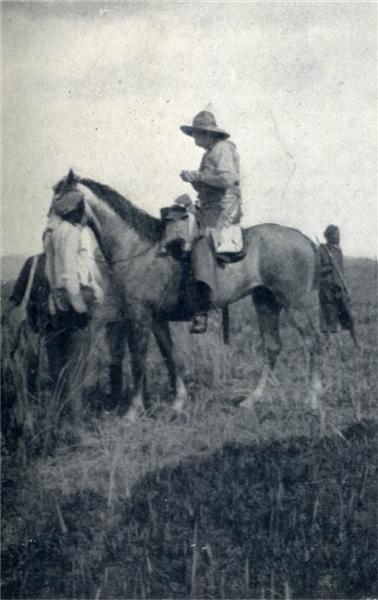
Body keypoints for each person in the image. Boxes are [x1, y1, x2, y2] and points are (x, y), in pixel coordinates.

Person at [180, 111, 242, 333]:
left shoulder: (222, 149)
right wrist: (194, 181)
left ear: (206, 133)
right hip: (209, 207)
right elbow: (208, 184)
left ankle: (202, 307)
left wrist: (198, 177)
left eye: (196, 134)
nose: (194, 139)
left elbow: (227, 179)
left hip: (224, 209)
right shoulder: (209, 153)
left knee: (201, 242)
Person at [318, 225, 357, 345]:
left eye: (339, 235)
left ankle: (356, 342)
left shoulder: (338, 251)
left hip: (339, 288)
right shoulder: (322, 250)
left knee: (348, 316)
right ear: (329, 236)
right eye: (335, 235)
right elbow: (317, 270)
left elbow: (341, 272)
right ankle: (328, 345)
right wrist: (328, 267)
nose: (338, 237)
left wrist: (344, 289)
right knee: (329, 317)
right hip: (327, 289)